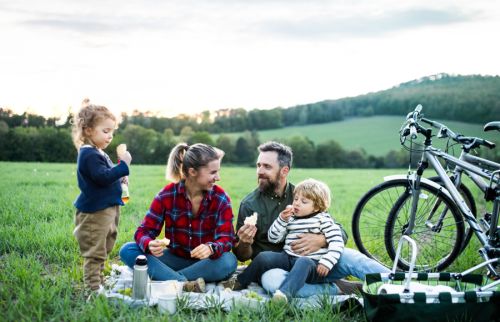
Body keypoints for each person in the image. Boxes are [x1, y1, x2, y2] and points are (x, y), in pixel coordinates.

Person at [232, 141, 389, 296]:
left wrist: (321, 240)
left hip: (316, 262)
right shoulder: (249, 204)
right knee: (272, 283)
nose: (260, 171)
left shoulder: (302, 195)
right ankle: (340, 288)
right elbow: (242, 255)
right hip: (278, 266)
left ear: (284, 171)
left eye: (267, 167)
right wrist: (245, 242)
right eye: (258, 165)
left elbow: (339, 231)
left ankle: (400, 282)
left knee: (354, 258)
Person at [120, 143, 237, 292]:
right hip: (174, 259)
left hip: (206, 263)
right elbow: (144, 231)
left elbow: (227, 239)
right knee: (128, 250)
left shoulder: (221, 198)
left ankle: (168, 279)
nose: (218, 177)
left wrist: (211, 248)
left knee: (229, 261)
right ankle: (183, 283)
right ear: (193, 171)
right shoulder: (166, 195)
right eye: (213, 172)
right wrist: (149, 243)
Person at [234, 179, 345, 302]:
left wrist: (326, 262)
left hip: (312, 265)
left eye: (304, 201)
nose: (297, 203)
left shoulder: (323, 220)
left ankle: (284, 295)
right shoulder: (292, 218)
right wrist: (282, 220)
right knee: (264, 257)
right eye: (296, 199)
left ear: (316, 207)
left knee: (303, 261)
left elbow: (337, 242)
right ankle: (239, 282)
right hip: (288, 257)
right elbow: (273, 238)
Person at [72, 98, 132, 293]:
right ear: (88, 130)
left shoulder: (98, 152)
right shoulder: (88, 154)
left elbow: (106, 176)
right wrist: (123, 166)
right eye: (105, 131)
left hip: (108, 208)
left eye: (112, 132)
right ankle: (93, 289)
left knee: (106, 245)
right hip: (95, 212)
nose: (110, 136)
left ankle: (99, 280)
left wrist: (120, 178)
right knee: (95, 251)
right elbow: (101, 177)